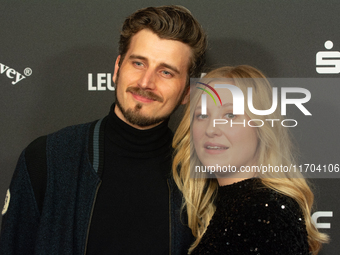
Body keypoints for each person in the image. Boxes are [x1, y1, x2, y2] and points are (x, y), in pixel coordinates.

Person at [0, 5, 207, 255]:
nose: (146, 83)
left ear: (187, 92)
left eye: (166, 72)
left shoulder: (201, 179)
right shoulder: (47, 159)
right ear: (117, 69)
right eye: (139, 63)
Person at [172, 65, 329, 254]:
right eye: (202, 115)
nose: (211, 129)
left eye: (230, 115)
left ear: (261, 126)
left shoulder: (267, 214)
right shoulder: (236, 206)